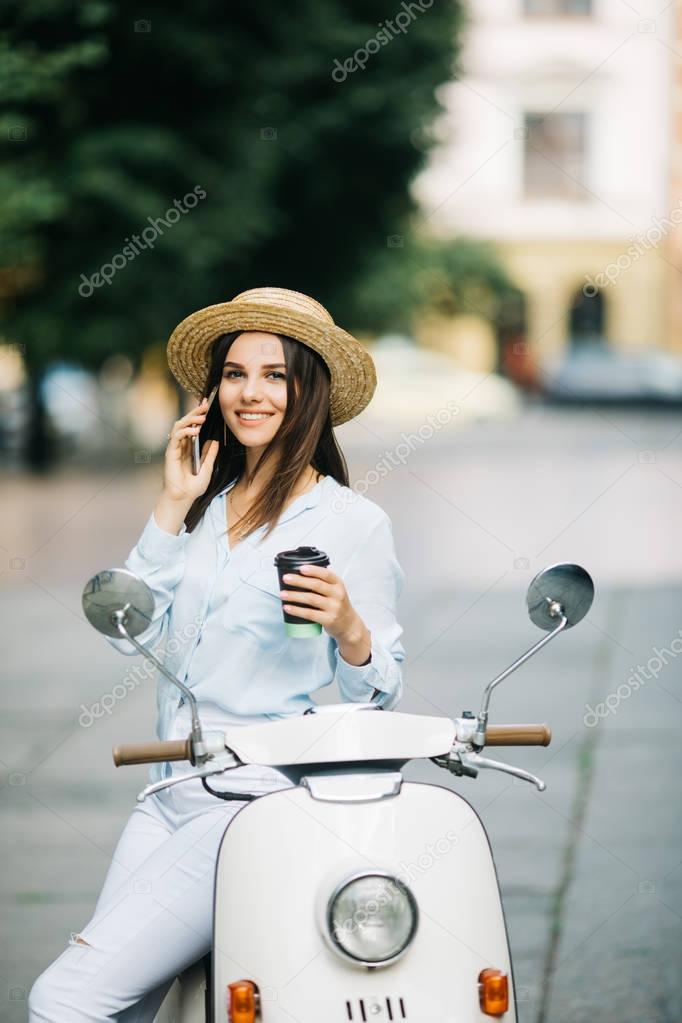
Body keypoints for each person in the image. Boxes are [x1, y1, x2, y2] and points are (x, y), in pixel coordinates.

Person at [28, 286, 406, 1022]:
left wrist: (350, 629)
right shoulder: (204, 502)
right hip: (164, 797)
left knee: (67, 999)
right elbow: (124, 631)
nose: (250, 392)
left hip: (252, 803)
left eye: (275, 374)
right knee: (123, 1006)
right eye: (235, 373)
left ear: (311, 393)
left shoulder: (353, 523)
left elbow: (379, 695)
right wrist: (170, 505)